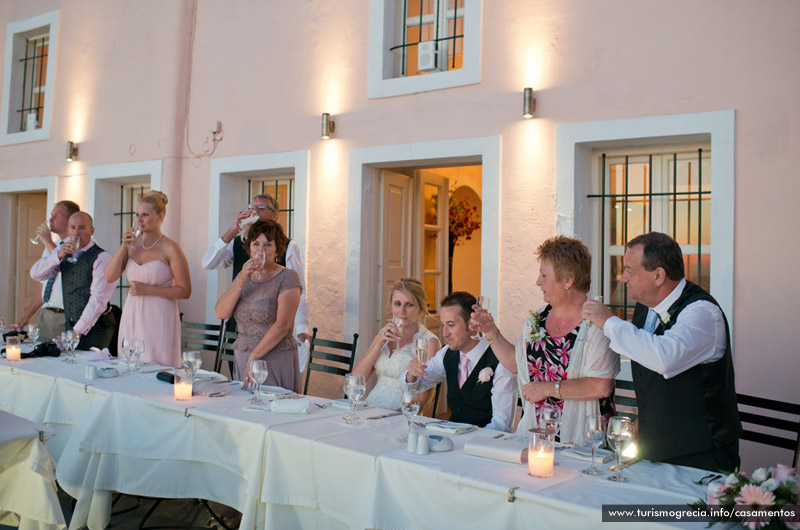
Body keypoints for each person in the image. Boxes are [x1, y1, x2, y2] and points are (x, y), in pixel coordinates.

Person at [582, 232, 741, 471]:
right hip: (654, 449)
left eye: (630, 270)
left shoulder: (702, 313)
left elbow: (665, 357)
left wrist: (609, 322)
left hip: (700, 454)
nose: (623, 278)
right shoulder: (645, 309)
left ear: (658, 275)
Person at [470, 236, 619, 443]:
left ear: (568, 280)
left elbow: (600, 386)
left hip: (583, 442)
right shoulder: (538, 319)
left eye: (544, 275)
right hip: (536, 437)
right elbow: (516, 364)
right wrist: (489, 330)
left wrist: (548, 389)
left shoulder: (597, 323)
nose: (538, 281)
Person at [202, 194, 311, 344]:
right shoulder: (237, 243)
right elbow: (208, 263)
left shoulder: (289, 246)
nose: (254, 211)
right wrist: (234, 229)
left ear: (274, 215)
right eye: (251, 208)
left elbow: (300, 291)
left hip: (271, 330)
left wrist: (302, 327)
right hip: (238, 329)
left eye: (260, 208)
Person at [403, 292, 516, 432]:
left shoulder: (500, 359)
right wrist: (411, 375)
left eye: (451, 325)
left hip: (483, 444)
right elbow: (417, 385)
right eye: (443, 325)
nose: (444, 333)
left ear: (472, 324)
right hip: (450, 438)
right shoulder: (447, 353)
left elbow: (501, 425)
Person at [105, 191, 191, 368]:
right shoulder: (131, 246)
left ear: (161, 216)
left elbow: (185, 290)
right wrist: (123, 246)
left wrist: (148, 290)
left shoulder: (170, 247)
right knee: (130, 362)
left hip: (159, 314)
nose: (139, 220)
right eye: (137, 215)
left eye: (145, 215)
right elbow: (109, 276)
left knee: (156, 363)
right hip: (133, 312)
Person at [215, 219, 302, 392]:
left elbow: (283, 325)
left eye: (268, 245)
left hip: (273, 357)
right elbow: (221, 312)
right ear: (249, 248)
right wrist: (241, 279)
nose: (261, 250)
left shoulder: (288, 277)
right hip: (242, 355)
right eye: (256, 244)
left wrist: (254, 357)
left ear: (278, 249)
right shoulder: (243, 275)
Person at [30, 212, 116, 350]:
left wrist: (77, 331)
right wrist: (57, 255)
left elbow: (98, 299)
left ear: (91, 230)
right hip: (71, 325)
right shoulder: (63, 251)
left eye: (82, 228)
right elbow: (35, 274)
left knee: (88, 368)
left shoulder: (102, 257)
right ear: (68, 230)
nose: (76, 233)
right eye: (72, 228)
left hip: (97, 328)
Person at [354, 278, 440, 410]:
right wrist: (378, 343)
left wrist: (390, 418)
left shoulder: (429, 342)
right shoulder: (384, 335)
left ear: (421, 309)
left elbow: (423, 400)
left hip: (400, 416)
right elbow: (355, 381)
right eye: (398, 304)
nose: (402, 311)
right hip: (369, 410)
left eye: (409, 305)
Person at [16, 200, 80, 341]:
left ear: (71, 219)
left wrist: (47, 242)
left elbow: (68, 270)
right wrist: (26, 316)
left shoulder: (81, 245)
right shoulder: (53, 246)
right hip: (45, 315)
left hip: (66, 317)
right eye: (51, 215)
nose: (50, 219)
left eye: (56, 215)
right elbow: (42, 284)